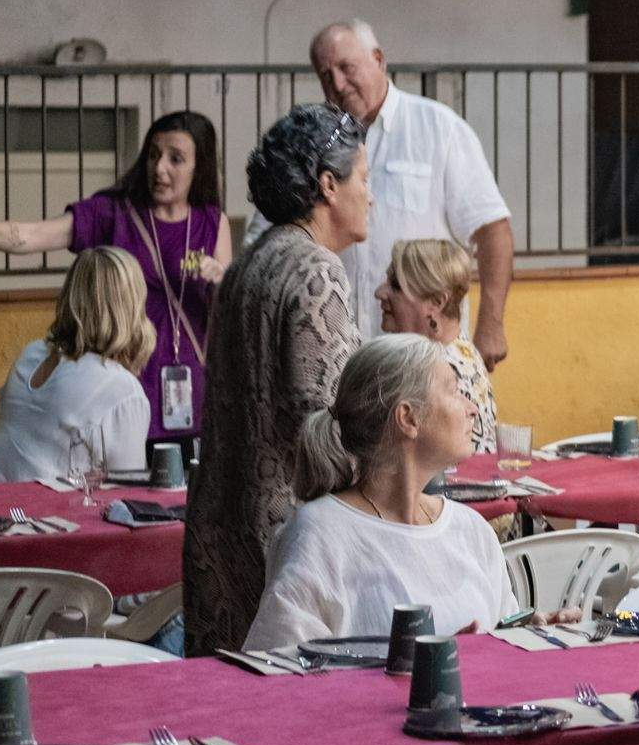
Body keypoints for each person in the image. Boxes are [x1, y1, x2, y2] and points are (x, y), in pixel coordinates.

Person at [245, 334, 577, 650]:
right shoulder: (320, 535)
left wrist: (525, 634)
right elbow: (279, 668)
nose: (472, 408)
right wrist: (421, 663)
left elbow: (498, 636)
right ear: (408, 418)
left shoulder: (471, 530)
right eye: (454, 391)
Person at [0, 111, 232, 449]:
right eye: (153, 155)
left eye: (175, 159)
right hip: (123, 392)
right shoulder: (112, 212)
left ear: (199, 167)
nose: (159, 167)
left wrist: (223, 281)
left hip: (193, 398)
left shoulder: (213, 222)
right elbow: (32, 235)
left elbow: (227, 314)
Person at [186, 105, 367, 657]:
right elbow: (330, 427)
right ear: (328, 185)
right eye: (364, 180)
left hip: (218, 527)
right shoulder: (317, 270)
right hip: (283, 541)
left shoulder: (249, 263)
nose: (371, 196)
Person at [252, 20, 512, 364]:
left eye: (346, 67)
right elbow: (263, 238)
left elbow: (492, 230)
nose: (338, 84)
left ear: (378, 59)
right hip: (338, 353)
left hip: (424, 354)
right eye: (326, 75)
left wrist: (491, 324)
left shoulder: (439, 129)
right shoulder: (311, 144)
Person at [0, 247, 154, 483]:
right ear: (131, 308)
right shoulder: (123, 390)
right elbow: (126, 492)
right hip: (47, 507)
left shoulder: (31, 354)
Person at [377, 239, 497, 455]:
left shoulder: (439, 370)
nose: (380, 292)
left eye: (395, 286)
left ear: (436, 302)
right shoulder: (459, 350)